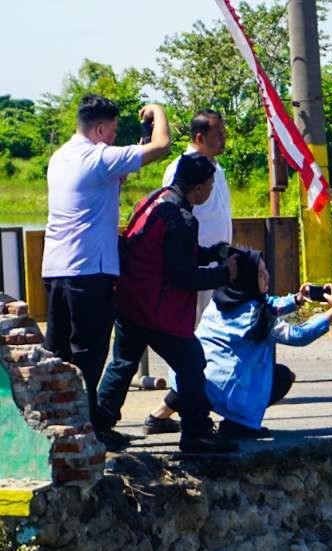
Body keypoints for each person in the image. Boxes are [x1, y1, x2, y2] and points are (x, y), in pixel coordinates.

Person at [95, 154, 239, 453]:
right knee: (192, 363)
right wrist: (224, 274)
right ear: (198, 188)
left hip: (129, 300)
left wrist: (211, 254)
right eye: (210, 184)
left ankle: (100, 426)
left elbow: (170, 254)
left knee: (122, 364)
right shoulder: (182, 218)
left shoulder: (155, 200)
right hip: (157, 310)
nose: (211, 190)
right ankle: (196, 432)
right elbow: (181, 276)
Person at [43, 94, 171, 432]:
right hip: (89, 271)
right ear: (99, 128)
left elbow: (112, 179)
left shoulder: (60, 157)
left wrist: (132, 148)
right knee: (88, 356)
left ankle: (58, 427)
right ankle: (89, 432)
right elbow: (162, 146)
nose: (115, 137)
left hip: (56, 269)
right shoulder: (97, 157)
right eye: (113, 131)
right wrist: (157, 111)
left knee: (57, 354)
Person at [144, 250, 332, 439]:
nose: (267, 277)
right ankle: (237, 424)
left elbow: (266, 302)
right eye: (261, 274)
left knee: (197, 377)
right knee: (281, 377)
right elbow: (298, 335)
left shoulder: (221, 299)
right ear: (247, 279)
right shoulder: (257, 318)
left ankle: (157, 417)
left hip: (192, 378)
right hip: (228, 391)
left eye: (266, 272)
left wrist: (297, 299)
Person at [162, 110, 234, 322]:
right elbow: (170, 216)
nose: (224, 139)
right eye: (218, 134)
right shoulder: (181, 168)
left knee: (212, 328)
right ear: (200, 138)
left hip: (217, 263)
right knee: (192, 326)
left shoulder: (216, 167)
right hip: (194, 267)